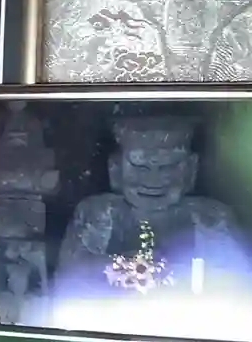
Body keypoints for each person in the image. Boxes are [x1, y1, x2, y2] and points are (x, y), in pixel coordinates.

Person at [57, 116, 241, 293]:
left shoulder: (211, 217)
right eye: (140, 167)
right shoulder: (98, 212)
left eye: (167, 167)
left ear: (191, 168)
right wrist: (123, 267)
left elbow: (235, 282)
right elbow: (70, 277)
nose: (153, 180)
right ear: (115, 167)